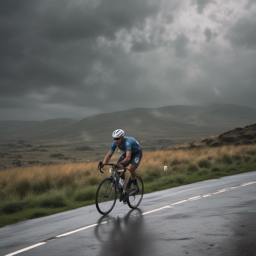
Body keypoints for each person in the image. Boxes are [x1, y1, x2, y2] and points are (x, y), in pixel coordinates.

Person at [102, 129, 143, 203]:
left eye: (117, 139)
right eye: (114, 139)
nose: (115, 140)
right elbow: (109, 155)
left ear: (122, 137)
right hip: (128, 152)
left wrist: (120, 164)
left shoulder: (128, 142)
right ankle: (123, 190)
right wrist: (103, 164)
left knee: (131, 168)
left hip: (137, 153)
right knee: (117, 169)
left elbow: (128, 158)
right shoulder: (114, 143)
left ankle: (132, 185)